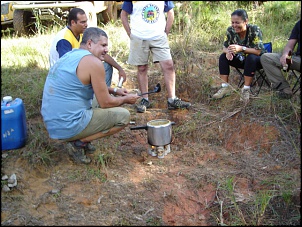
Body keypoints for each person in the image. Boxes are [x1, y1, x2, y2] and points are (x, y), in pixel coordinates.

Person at [41, 27, 140, 164]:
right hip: (66, 125)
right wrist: (125, 99)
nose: (106, 50)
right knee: (124, 116)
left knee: (96, 100)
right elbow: (106, 103)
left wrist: (115, 91)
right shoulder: (94, 62)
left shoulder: (70, 55)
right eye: (103, 45)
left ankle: (78, 135)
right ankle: (79, 143)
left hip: (52, 123)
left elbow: (88, 85)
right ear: (89, 44)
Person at [120, 1, 191, 113]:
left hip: (159, 37)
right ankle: (145, 99)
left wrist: (166, 32)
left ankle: (172, 99)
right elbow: (123, 14)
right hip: (139, 37)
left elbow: (170, 12)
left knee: (168, 66)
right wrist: (130, 33)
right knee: (142, 68)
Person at [49, 8, 127, 99]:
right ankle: (100, 98)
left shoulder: (81, 35)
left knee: (106, 66)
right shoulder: (64, 39)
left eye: (86, 21)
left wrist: (119, 68)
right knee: (96, 68)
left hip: (76, 71)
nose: (86, 25)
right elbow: (68, 67)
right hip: (65, 79)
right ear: (73, 23)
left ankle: (101, 96)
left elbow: (101, 54)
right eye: (82, 22)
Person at [212, 9, 266, 103]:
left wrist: (241, 48)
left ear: (245, 21)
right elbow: (224, 47)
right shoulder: (230, 30)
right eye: (232, 22)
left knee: (251, 57)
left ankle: (246, 89)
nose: (234, 25)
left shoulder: (254, 30)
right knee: (223, 57)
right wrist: (228, 51)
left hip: (257, 61)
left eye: (237, 22)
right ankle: (225, 88)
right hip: (241, 59)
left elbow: (258, 51)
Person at [260, 20, 300, 99]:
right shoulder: (299, 24)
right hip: (299, 59)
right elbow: (289, 46)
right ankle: (284, 90)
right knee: (266, 58)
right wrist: (285, 54)